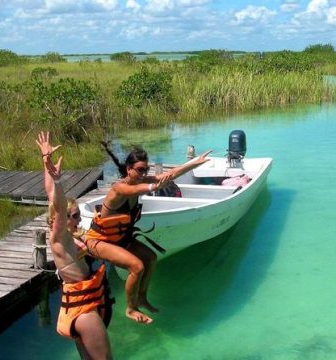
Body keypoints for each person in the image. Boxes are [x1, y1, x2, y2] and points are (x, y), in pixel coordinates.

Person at [85, 141, 211, 324]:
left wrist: (194, 163)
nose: (143, 174)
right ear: (128, 169)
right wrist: (154, 186)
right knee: (137, 266)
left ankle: (142, 298)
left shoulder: (140, 180)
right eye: (140, 170)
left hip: (120, 239)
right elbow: (136, 190)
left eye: (146, 170)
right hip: (99, 241)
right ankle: (130, 308)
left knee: (151, 258)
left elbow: (169, 174)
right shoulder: (119, 188)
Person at [36, 131, 112, 360]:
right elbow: (58, 207)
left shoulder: (68, 236)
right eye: (75, 215)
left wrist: (46, 163)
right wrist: (58, 180)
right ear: (61, 220)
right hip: (85, 311)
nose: (79, 219)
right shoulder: (59, 238)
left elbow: (51, 196)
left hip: (82, 306)